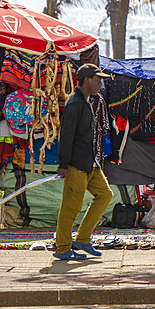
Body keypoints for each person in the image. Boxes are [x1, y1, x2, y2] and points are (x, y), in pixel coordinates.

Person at [54, 63, 114, 261]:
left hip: (90, 163)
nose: (100, 84)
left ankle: (83, 239)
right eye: (98, 80)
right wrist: (64, 165)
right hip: (76, 166)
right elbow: (66, 135)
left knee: (105, 195)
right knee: (71, 208)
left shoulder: (87, 101)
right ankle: (63, 248)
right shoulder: (75, 103)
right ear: (86, 80)